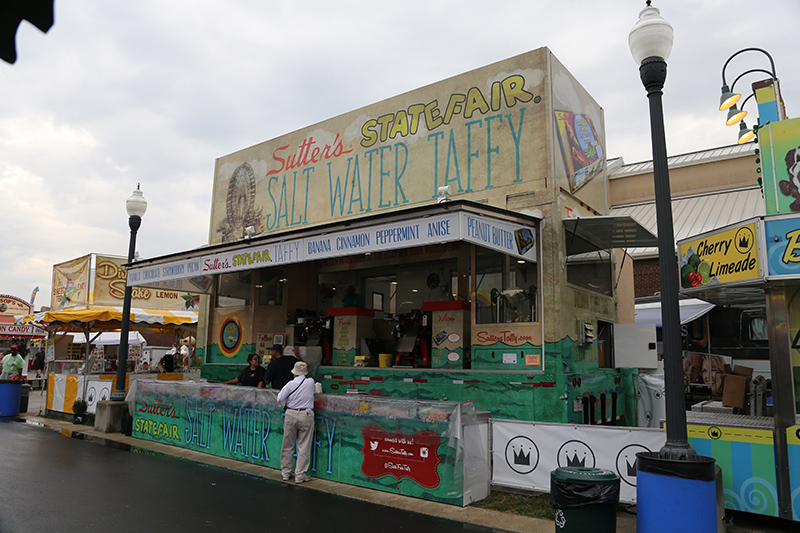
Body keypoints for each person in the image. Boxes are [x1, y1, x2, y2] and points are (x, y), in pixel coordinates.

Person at [277, 361, 316, 483]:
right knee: (304, 446)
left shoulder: (290, 384)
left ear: (294, 373)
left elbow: (279, 399)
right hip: (306, 415)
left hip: (291, 414)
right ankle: (300, 475)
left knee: (288, 445)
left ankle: (285, 473)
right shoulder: (310, 382)